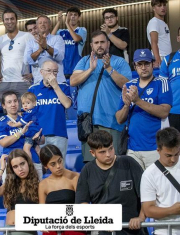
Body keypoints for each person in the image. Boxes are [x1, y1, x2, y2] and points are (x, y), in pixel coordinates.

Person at [70, 30, 131, 162]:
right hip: (88, 123)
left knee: (113, 163)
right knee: (90, 165)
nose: (99, 45)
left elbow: (126, 84)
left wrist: (109, 68)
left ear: (108, 44)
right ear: (91, 45)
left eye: (102, 42)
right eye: (96, 43)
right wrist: (91, 69)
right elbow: (73, 81)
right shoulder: (85, 61)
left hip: (111, 122)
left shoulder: (119, 62)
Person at [75, 130, 145, 235]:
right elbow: (82, 203)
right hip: (103, 230)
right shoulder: (87, 170)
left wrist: (140, 218)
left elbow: (146, 196)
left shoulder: (129, 163)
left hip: (132, 229)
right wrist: (102, 221)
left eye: (111, 149)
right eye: (102, 152)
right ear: (92, 153)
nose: (108, 155)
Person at [116, 49, 172, 170]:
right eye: (139, 64)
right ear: (135, 66)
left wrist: (137, 101)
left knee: (156, 187)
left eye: (146, 63)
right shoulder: (129, 86)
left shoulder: (162, 83)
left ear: (152, 64)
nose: (143, 67)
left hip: (155, 148)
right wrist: (126, 105)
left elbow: (164, 112)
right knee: (135, 188)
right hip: (132, 150)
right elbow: (119, 119)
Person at [28, 60, 72, 158]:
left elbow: (67, 104)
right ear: (41, 72)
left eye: (55, 71)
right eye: (48, 71)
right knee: (39, 168)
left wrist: (55, 86)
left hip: (58, 134)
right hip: (38, 135)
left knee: (59, 169)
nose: (51, 74)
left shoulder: (64, 87)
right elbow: (27, 113)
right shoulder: (33, 89)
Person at [0, 150, 39, 235]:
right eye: (15, 167)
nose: (20, 169)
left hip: (26, 230)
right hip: (8, 230)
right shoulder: (10, 185)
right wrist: (2, 169)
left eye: (22, 164)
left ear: (28, 163)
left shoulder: (38, 185)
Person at [38, 145, 84, 235]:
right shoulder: (43, 184)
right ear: (46, 166)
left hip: (73, 223)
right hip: (52, 225)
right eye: (53, 164)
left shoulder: (75, 177)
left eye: (59, 161)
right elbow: (42, 211)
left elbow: (81, 205)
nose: (58, 166)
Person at [141, 127, 180, 235]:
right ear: (158, 150)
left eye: (176, 154)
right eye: (168, 155)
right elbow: (148, 210)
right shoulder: (149, 174)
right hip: (165, 231)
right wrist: (173, 210)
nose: (173, 159)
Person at [0, 91, 42, 179]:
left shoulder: (28, 116)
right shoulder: (1, 121)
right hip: (13, 164)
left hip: (32, 162)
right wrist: (21, 132)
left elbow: (42, 140)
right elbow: (3, 142)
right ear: (4, 105)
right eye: (9, 102)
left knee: (37, 192)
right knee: (12, 192)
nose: (13, 104)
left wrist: (38, 137)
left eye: (15, 101)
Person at [0, 9, 33, 103]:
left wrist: (33, 74)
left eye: (12, 19)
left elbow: (39, 56)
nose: (9, 21)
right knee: (7, 113)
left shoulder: (27, 36)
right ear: (3, 22)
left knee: (24, 112)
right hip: (4, 83)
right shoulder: (1, 39)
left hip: (22, 82)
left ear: (16, 20)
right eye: (6, 19)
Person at [24, 15, 66, 85]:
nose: (42, 24)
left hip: (58, 81)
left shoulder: (58, 38)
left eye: (45, 22)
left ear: (50, 25)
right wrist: (39, 50)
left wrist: (46, 47)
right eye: (40, 23)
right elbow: (27, 61)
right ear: (37, 27)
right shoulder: (30, 42)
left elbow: (60, 57)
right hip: (39, 82)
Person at [51, 7, 87, 78]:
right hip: (61, 70)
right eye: (70, 15)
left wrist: (67, 23)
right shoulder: (61, 32)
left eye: (75, 15)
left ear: (79, 18)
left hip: (76, 69)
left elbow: (76, 39)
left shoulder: (82, 30)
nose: (72, 17)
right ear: (67, 17)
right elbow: (51, 39)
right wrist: (58, 22)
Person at [6, 92, 42, 159]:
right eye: (23, 103)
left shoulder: (29, 112)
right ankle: (44, 164)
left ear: (34, 103)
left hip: (31, 133)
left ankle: (29, 163)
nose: (25, 105)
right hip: (36, 131)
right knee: (37, 149)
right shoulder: (34, 110)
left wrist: (14, 125)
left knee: (26, 149)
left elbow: (22, 122)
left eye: (28, 103)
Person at [160, 27, 180, 132]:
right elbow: (162, 87)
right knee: (174, 146)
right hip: (173, 111)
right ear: (178, 38)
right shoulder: (168, 59)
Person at [147, 0, 171, 68]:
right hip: (161, 57)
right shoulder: (154, 22)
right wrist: (157, 59)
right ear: (154, 8)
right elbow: (154, 42)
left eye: (164, 5)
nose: (163, 8)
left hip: (167, 56)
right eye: (159, 6)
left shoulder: (163, 23)